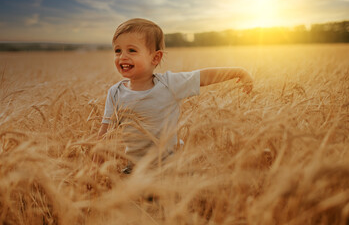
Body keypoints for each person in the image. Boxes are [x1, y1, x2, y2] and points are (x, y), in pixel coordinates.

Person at [97, 18, 253, 171]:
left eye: (131, 50)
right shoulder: (115, 93)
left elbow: (203, 76)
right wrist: (96, 164)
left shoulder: (169, 83)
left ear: (155, 57)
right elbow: (105, 133)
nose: (122, 56)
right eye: (118, 50)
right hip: (135, 167)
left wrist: (238, 72)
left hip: (170, 165)